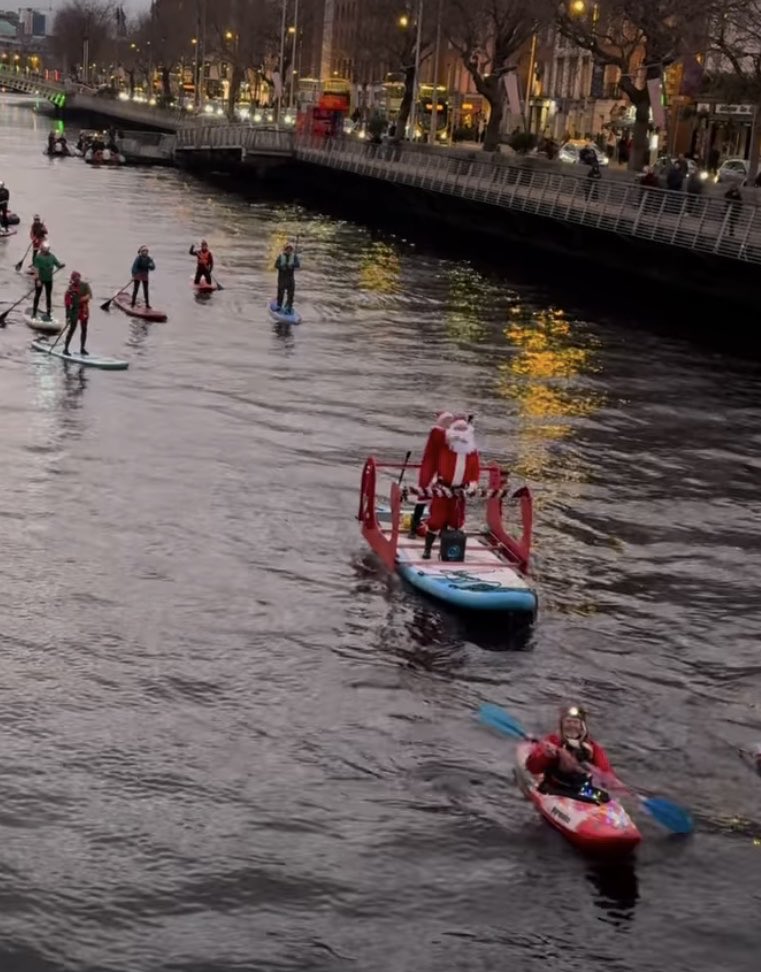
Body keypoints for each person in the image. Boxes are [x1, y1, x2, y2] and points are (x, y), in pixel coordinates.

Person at [419, 416, 480, 560]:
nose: (461, 434)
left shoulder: (472, 450)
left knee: (456, 521)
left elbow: (475, 469)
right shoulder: (444, 445)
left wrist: (473, 483)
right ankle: (427, 549)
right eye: (457, 430)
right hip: (443, 488)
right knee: (436, 521)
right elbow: (436, 432)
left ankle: (448, 550)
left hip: (460, 491)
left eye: (464, 430)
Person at [525, 705, 613, 800]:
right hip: (554, 789)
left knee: (605, 798)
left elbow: (606, 773)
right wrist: (545, 756)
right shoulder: (552, 741)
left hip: (582, 791)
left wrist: (607, 781)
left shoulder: (593, 748)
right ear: (562, 725)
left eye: (575, 722)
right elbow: (532, 768)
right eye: (568, 722)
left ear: (581, 727)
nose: (571, 725)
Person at [409, 410, 455, 538]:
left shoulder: (448, 434)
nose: (450, 424)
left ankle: (442, 528)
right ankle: (414, 527)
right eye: (447, 421)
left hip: (442, 467)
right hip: (430, 467)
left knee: (445, 497)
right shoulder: (436, 431)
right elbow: (446, 438)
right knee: (423, 495)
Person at [32, 240, 64, 320]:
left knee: (48, 296)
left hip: (48, 279)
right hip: (40, 279)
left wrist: (60, 265)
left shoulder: (52, 256)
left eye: (47, 249)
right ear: (42, 249)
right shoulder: (38, 257)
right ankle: (34, 313)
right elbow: (35, 269)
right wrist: (38, 279)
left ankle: (48, 313)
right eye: (45, 249)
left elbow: (57, 264)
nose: (46, 250)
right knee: (37, 295)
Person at [63, 271, 92, 356]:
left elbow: (89, 295)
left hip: (84, 309)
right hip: (74, 310)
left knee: (84, 329)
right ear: (73, 279)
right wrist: (67, 315)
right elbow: (67, 303)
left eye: (78, 278)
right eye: (75, 278)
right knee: (72, 329)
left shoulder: (85, 285)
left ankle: (82, 348)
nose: (77, 280)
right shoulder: (70, 289)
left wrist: (82, 299)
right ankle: (66, 349)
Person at [274, 241, 300, 313]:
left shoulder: (294, 257)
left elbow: (298, 265)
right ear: (285, 249)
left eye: (290, 249)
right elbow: (276, 265)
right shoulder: (280, 257)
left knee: (291, 293)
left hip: (290, 279)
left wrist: (292, 265)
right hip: (282, 278)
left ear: (292, 250)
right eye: (287, 249)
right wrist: (282, 267)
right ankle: (279, 305)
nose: (289, 250)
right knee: (281, 293)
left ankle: (289, 306)